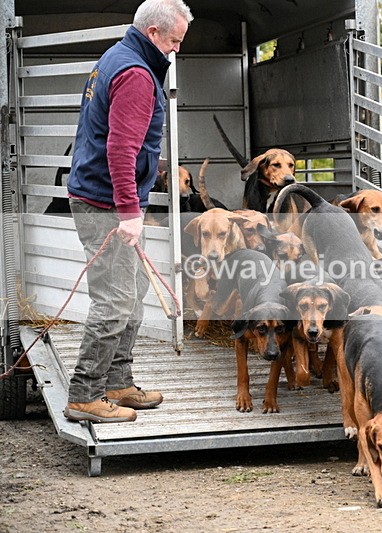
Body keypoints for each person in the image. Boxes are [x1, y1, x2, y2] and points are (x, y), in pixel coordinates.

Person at [63, 0, 193, 423]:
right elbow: (120, 149)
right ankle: (84, 394)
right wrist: (129, 212)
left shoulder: (117, 56)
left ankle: (117, 382)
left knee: (133, 290)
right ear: (153, 33)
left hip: (102, 195)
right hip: (105, 203)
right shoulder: (136, 74)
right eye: (173, 41)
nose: (175, 51)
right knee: (114, 301)